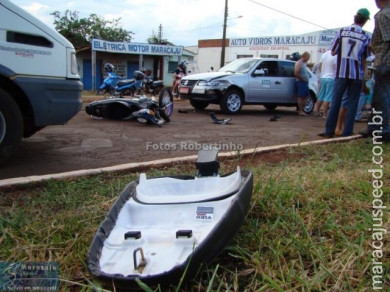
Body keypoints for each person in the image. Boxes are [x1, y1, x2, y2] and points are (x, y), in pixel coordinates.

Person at [318, 8, 371, 138]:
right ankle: (347, 132)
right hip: (356, 74)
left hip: (341, 72)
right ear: (364, 21)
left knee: (336, 102)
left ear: (354, 18)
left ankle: (329, 130)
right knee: (352, 103)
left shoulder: (342, 32)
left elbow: (333, 52)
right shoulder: (365, 36)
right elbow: (365, 58)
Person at [360, 0, 390, 142]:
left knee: (380, 98)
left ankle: (381, 131)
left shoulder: (383, 15)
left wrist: (375, 48)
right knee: (380, 97)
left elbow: (388, 39)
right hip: (384, 60)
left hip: (385, 60)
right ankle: (374, 128)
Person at [313, 49, 337, 117]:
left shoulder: (324, 54)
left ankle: (316, 111)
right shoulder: (335, 55)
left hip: (323, 77)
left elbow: (320, 66)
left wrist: (323, 73)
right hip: (331, 78)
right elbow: (336, 67)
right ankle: (325, 114)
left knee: (321, 96)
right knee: (328, 97)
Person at [294, 51, 311, 116]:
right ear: (304, 56)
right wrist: (302, 79)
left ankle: (301, 109)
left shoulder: (304, 63)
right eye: (308, 57)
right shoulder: (299, 63)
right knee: (301, 96)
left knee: (307, 96)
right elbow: (296, 73)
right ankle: (300, 111)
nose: (308, 59)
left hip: (305, 82)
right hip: (300, 82)